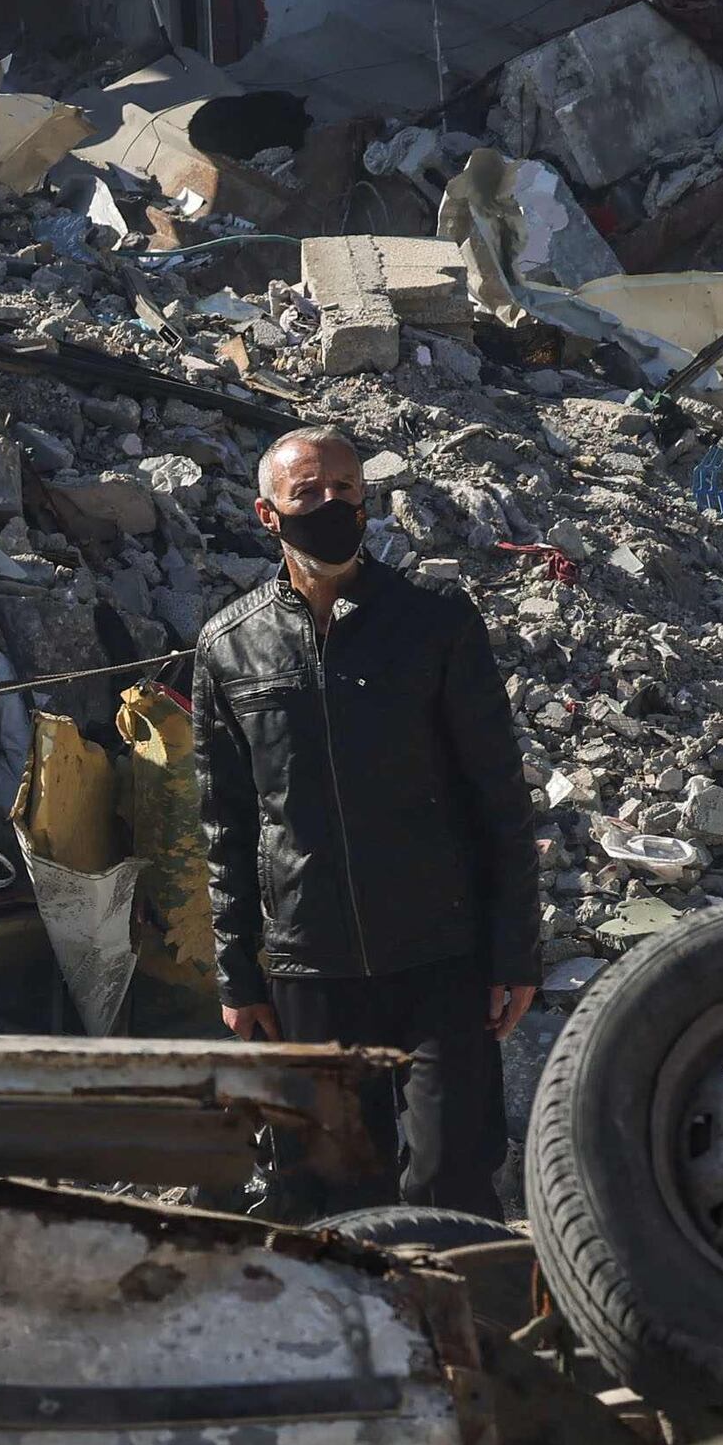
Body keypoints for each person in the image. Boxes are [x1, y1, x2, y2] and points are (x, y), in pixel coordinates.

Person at [187, 426, 543, 1209]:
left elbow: (498, 798)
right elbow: (227, 824)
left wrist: (514, 952)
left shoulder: (434, 625)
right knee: (329, 1186)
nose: (331, 505)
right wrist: (237, 974)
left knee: (450, 1178)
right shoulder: (229, 646)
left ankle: (464, 1327)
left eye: (346, 490)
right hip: (307, 969)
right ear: (266, 514)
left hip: (438, 957)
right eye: (307, 493)